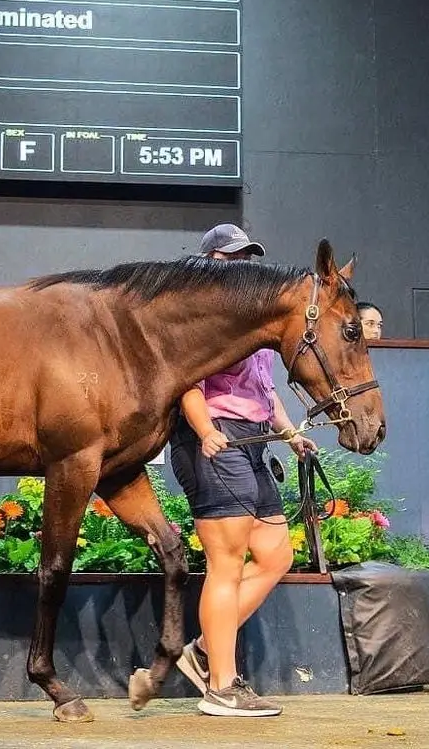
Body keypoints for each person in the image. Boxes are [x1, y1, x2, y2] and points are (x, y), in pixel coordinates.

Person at [170, 223, 317, 717]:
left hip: (254, 441)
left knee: (276, 555)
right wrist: (205, 428)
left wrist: (291, 433)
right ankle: (221, 688)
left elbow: (265, 391)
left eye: (247, 258)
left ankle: (205, 651)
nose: (242, 266)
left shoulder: (254, 327)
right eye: (232, 258)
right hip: (214, 440)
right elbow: (184, 380)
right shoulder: (198, 319)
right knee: (227, 564)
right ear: (210, 261)